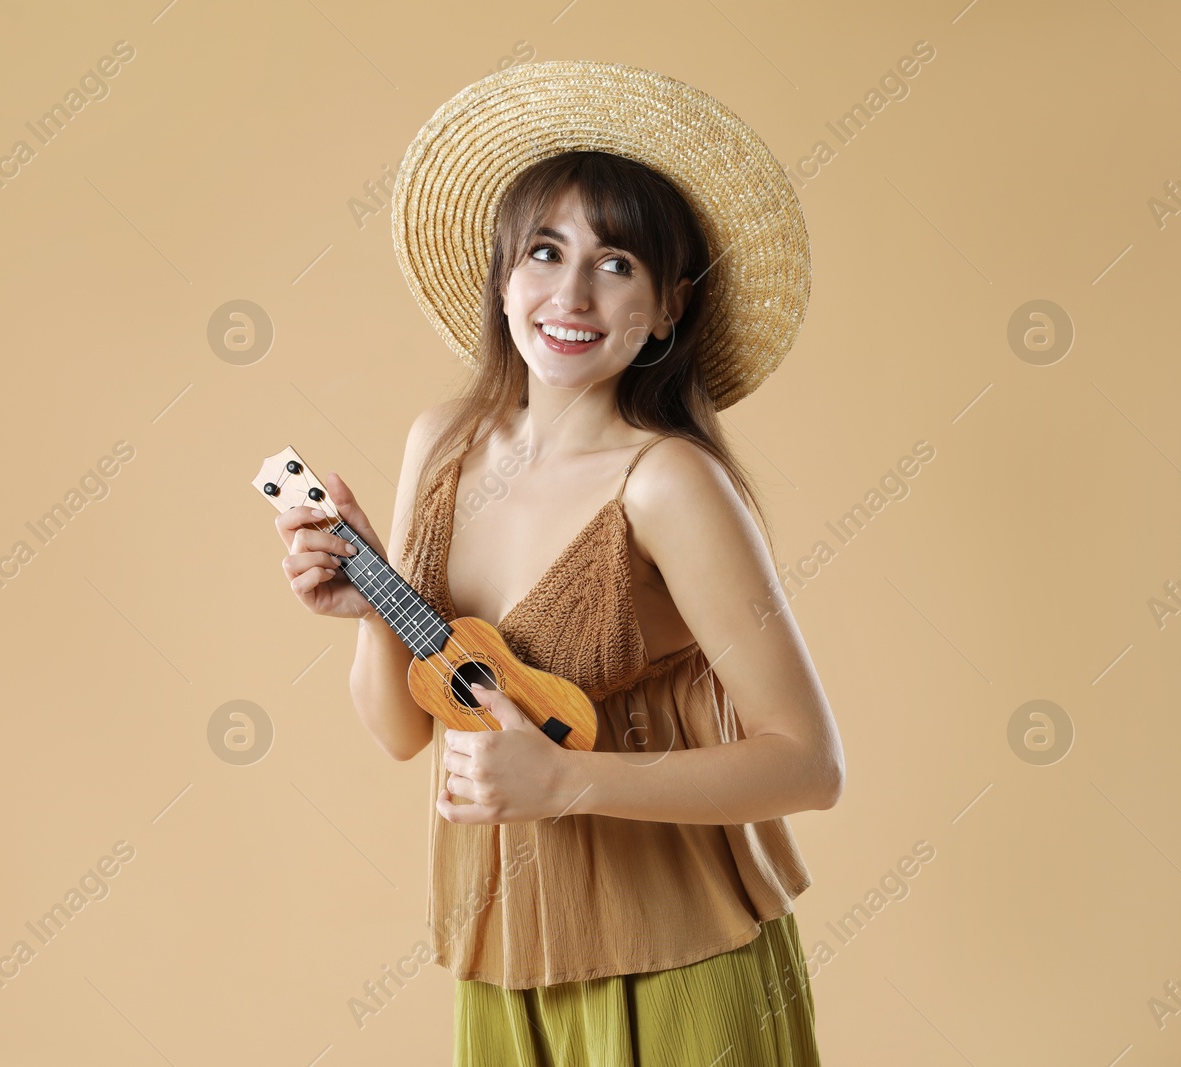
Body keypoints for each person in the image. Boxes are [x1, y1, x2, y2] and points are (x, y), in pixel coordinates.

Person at [276, 61, 844, 1066]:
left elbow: (808, 761)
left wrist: (569, 779)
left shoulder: (669, 484)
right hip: (504, 944)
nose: (571, 292)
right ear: (503, 280)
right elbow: (403, 729)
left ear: (667, 310)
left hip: (678, 951)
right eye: (544, 250)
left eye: (616, 262)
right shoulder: (440, 445)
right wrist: (372, 601)